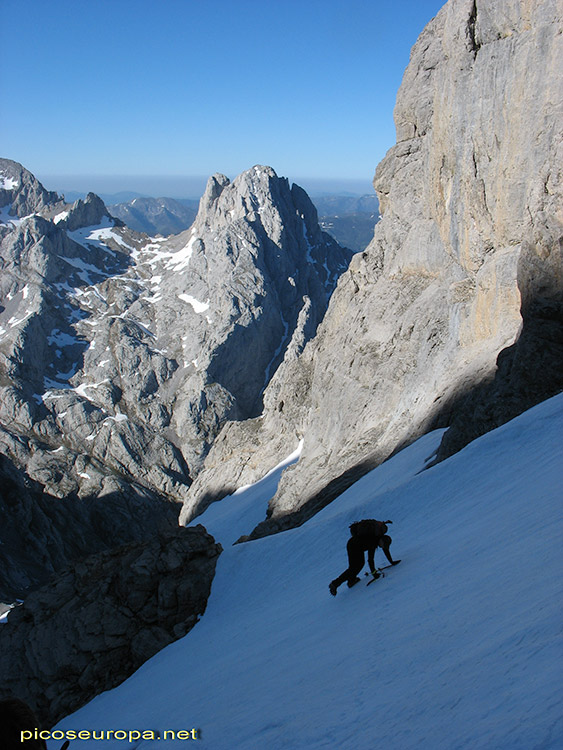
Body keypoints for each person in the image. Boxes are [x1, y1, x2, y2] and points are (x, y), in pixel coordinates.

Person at [329, 519, 400, 596]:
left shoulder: (378, 537)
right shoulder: (373, 542)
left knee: (357, 565)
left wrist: (392, 561)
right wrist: (374, 573)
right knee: (354, 567)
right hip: (353, 546)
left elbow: (385, 550)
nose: (381, 547)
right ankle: (335, 584)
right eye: (382, 545)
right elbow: (370, 560)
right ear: (382, 541)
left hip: (354, 544)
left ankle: (351, 581)